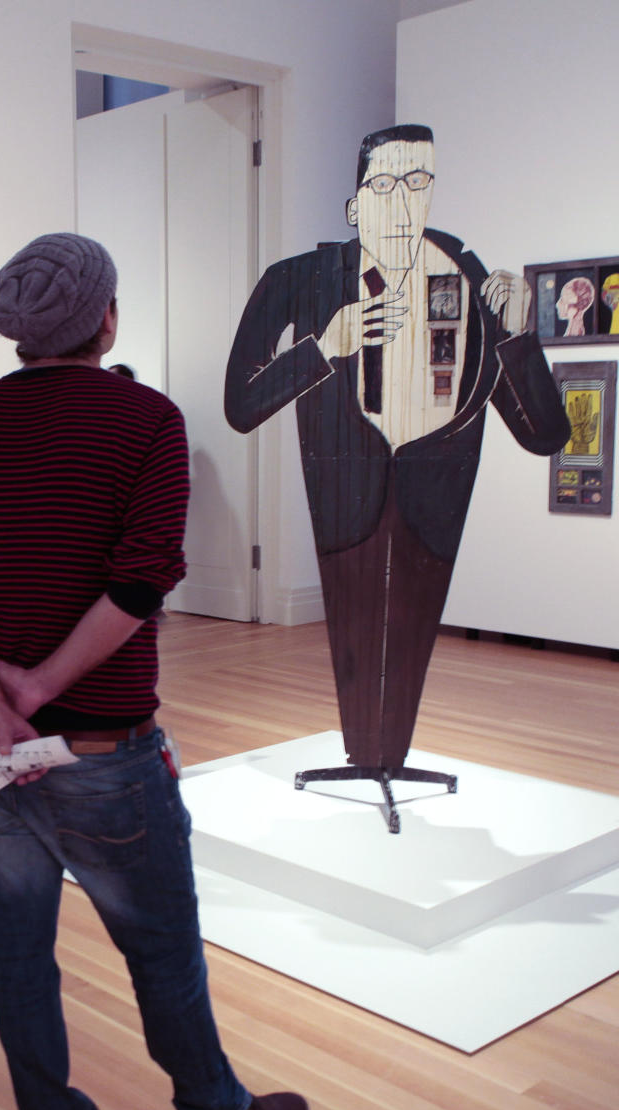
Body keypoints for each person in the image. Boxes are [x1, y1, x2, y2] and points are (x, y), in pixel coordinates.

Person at [0, 233, 308, 1110]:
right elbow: (143, 578)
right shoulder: (149, 421)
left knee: (20, 949)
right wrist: (34, 693)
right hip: (101, 750)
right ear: (106, 319)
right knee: (161, 944)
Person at [225, 125, 569, 774]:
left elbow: (543, 434)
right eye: (385, 184)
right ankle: (364, 753)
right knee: (350, 631)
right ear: (354, 206)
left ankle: (391, 756)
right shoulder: (299, 280)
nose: (403, 202)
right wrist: (324, 347)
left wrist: (519, 339)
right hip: (344, 492)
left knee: (412, 635)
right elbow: (243, 403)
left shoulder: (470, 281)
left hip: (434, 495)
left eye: (417, 183)